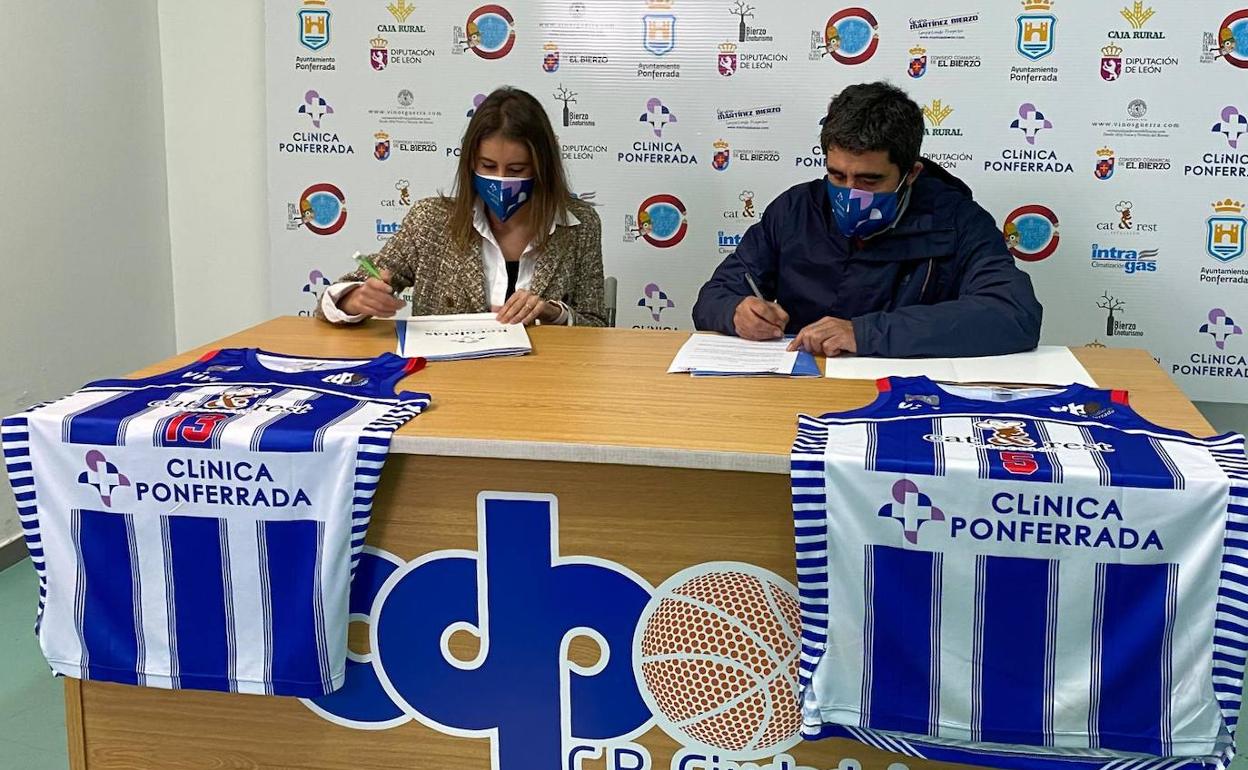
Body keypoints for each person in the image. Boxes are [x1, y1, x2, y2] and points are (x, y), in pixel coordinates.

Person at [692, 81, 1042, 358]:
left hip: (906, 396)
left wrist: (863, 334)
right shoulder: (794, 209)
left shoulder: (957, 220)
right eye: (837, 175)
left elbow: (1013, 313)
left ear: (911, 174)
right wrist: (735, 311)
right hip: (801, 386)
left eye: (869, 180)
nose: (850, 192)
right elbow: (714, 295)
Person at [317, 87, 606, 327]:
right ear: (470, 164)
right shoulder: (430, 221)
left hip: (543, 374)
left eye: (517, 169)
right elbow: (332, 301)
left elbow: (595, 326)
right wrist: (355, 299)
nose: (501, 180)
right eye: (488, 166)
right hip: (447, 374)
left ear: (542, 168)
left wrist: (554, 313)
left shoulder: (580, 225)